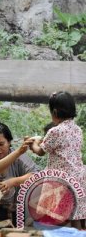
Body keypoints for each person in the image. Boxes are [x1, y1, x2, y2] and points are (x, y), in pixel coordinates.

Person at [29, 91, 86, 229]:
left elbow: (41, 151)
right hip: (78, 177)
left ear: (54, 112)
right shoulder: (77, 129)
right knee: (75, 214)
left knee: (58, 215)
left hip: (61, 179)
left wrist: (33, 144)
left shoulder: (55, 131)